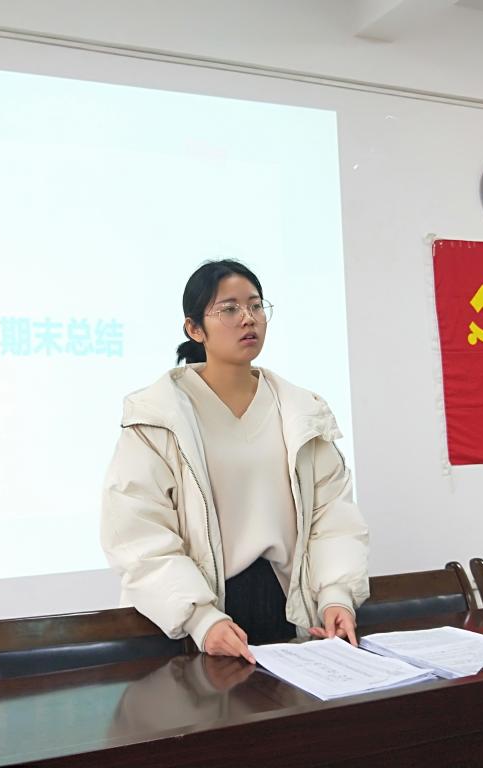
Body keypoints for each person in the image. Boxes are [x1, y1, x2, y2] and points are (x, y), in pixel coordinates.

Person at [100, 259, 369, 663]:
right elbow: (137, 532)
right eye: (229, 309)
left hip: (289, 605)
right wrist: (200, 618)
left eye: (256, 305)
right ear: (194, 329)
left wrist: (335, 595)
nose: (248, 318)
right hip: (198, 616)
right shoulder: (157, 417)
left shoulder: (301, 411)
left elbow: (332, 516)